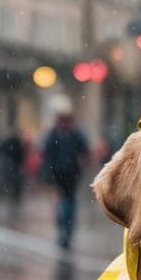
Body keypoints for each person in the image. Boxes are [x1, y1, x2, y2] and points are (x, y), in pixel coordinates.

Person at [40, 95, 89, 249]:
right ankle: (64, 231)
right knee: (65, 203)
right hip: (61, 174)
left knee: (67, 203)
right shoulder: (57, 133)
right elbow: (47, 153)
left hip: (70, 174)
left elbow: (84, 151)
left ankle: (66, 232)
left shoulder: (71, 133)